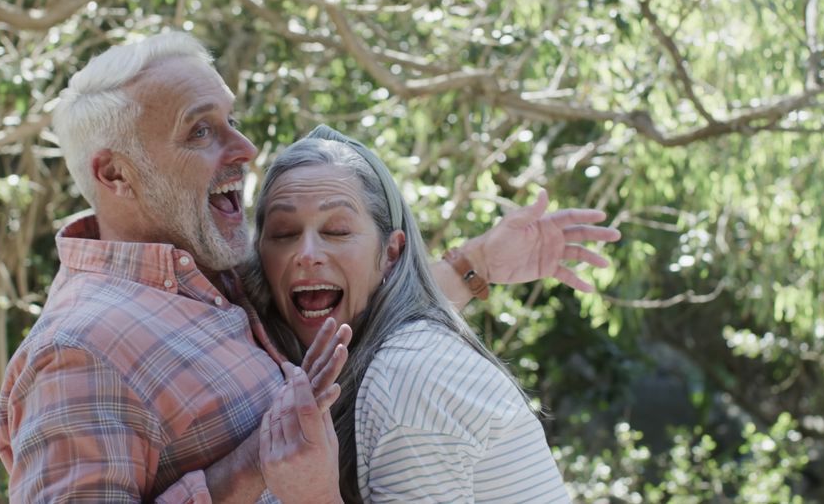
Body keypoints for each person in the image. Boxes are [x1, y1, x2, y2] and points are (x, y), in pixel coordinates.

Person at [0, 31, 618, 502]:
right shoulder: (78, 355)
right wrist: (252, 467)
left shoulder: (212, 274)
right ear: (114, 174)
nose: (244, 149)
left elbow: (340, 309)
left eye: (231, 121)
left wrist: (475, 265)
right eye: (201, 132)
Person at [249, 126, 586, 502]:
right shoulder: (387, 347)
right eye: (283, 233)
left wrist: (312, 497)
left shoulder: (407, 378)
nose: (306, 253)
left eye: (338, 231)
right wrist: (478, 263)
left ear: (391, 253)